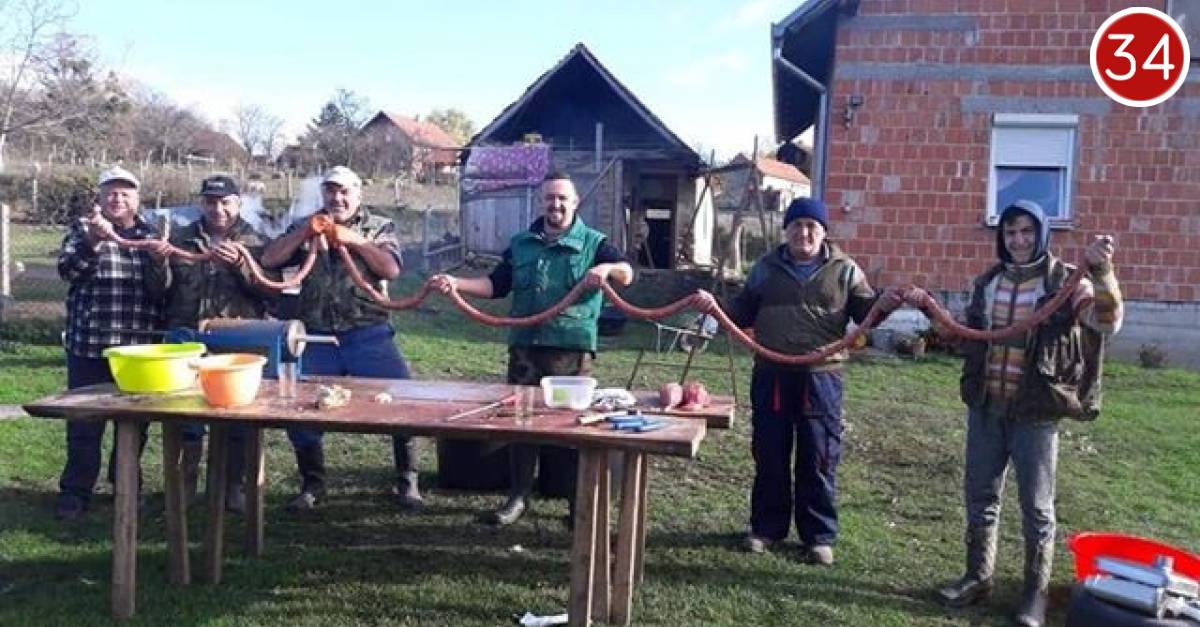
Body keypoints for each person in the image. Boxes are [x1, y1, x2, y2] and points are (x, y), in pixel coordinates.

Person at [936, 200, 1122, 627]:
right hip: (986, 406)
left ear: (1041, 234)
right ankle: (977, 577)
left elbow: (1106, 322)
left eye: (1026, 231)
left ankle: (1034, 596)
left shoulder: (1065, 282)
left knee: (1037, 510)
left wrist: (1103, 272)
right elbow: (970, 334)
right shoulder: (989, 282)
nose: (1018, 240)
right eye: (1010, 232)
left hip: (1035, 412)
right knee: (980, 497)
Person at [430, 171, 634, 526]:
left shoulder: (595, 242)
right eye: (549, 198)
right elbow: (496, 285)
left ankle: (576, 505)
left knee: (571, 427)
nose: (556, 204)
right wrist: (456, 283)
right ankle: (518, 497)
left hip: (570, 352)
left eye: (562, 198)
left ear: (575, 203)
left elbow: (627, 274)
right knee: (521, 423)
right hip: (525, 348)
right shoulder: (522, 243)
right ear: (541, 202)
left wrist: (607, 269)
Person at [712, 197, 898, 565]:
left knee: (819, 456)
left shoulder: (845, 270)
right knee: (770, 452)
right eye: (796, 225)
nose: (804, 233)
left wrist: (885, 303)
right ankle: (766, 529)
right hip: (772, 374)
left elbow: (866, 313)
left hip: (821, 377)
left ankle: (818, 536)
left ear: (824, 231)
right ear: (787, 230)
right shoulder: (765, 268)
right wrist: (713, 307)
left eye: (812, 226)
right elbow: (742, 311)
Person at [261, 166, 423, 512]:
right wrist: (305, 232)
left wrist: (353, 240)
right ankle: (313, 484)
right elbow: (270, 258)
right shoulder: (306, 225)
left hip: (368, 332)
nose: (337, 198)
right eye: (331, 191)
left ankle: (407, 480)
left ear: (357, 195)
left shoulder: (379, 226)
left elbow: (391, 269)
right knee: (301, 409)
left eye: (344, 191)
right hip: (317, 336)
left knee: (403, 400)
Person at [54, 166, 170, 520]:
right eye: (111, 193)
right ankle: (76, 492)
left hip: (137, 350)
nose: (118, 199)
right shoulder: (82, 229)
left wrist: (159, 261)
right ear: (100, 198)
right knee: (84, 423)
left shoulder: (151, 233)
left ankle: (126, 488)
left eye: (125, 193)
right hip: (91, 344)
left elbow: (161, 291)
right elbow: (68, 272)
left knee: (133, 425)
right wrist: (93, 242)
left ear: (137, 198)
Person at [159, 175, 276, 514]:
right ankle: (183, 489)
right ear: (202, 203)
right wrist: (157, 262)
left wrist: (241, 267)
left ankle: (232, 488)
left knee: (236, 419)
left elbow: (271, 293)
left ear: (238, 204)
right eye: (211, 202)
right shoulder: (180, 238)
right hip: (188, 340)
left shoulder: (258, 241)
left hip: (237, 341)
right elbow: (160, 291)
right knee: (186, 417)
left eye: (225, 202)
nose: (218, 209)